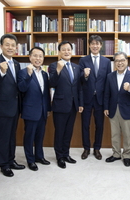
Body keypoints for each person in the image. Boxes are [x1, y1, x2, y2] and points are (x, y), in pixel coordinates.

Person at [0, 34, 25, 177]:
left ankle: (11, 160)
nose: (10, 47)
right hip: (3, 107)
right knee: (3, 136)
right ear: (1, 46)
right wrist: (1, 72)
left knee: (11, 136)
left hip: (15, 106)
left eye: (13, 45)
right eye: (7, 44)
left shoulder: (16, 63)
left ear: (16, 47)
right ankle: (4, 165)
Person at [49, 41, 84, 169]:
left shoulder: (76, 67)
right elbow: (51, 83)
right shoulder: (53, 66)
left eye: (69, 49)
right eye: (63, 49)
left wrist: (80, 103)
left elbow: (78, 87)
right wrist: (58, 70)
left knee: (68, 132)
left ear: (72, 51)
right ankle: (59, 157)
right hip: (60, 104)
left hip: (73, 105)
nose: (66, 52)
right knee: (60, 132)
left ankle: (66, 154)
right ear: (59, 52)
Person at [17, 47, 51, 171]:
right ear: (30, 57)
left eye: (40, 56)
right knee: (29, 137)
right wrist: (29, 75)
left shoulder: (44, 73)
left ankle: (39, 156)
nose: (38, 59)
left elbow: (46, 93)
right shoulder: (23, 72)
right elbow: (22, 88)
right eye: (35, 56)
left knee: (40, 136)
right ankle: (30, 160)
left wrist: (48, 109)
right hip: (30, 110)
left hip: (43, 110)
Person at [104, 52, 130, 167]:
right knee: (114, 134)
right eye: (117, 61)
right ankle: (116, 154)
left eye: (122, 60)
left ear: (127, 61)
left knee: (127, 134)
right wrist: (106, 107)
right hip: (113, 108)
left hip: (127, 109)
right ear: (114, 63)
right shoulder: (110, 76)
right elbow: (107, 93)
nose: (120, 63)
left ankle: (127, 155)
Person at [79, 35, 111, 160]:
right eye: (92, 43)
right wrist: (85, 75)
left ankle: (97, 148)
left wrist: (107, 103)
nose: (95, 46)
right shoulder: (83, 60)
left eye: (97, 44)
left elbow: (108, 82)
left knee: (100, 125)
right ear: (89, 45)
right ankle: (86, 148)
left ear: (101, 45)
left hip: (101, 100)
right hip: (87, 99)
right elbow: (80, 81)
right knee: (85, 125)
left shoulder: (107, 61)